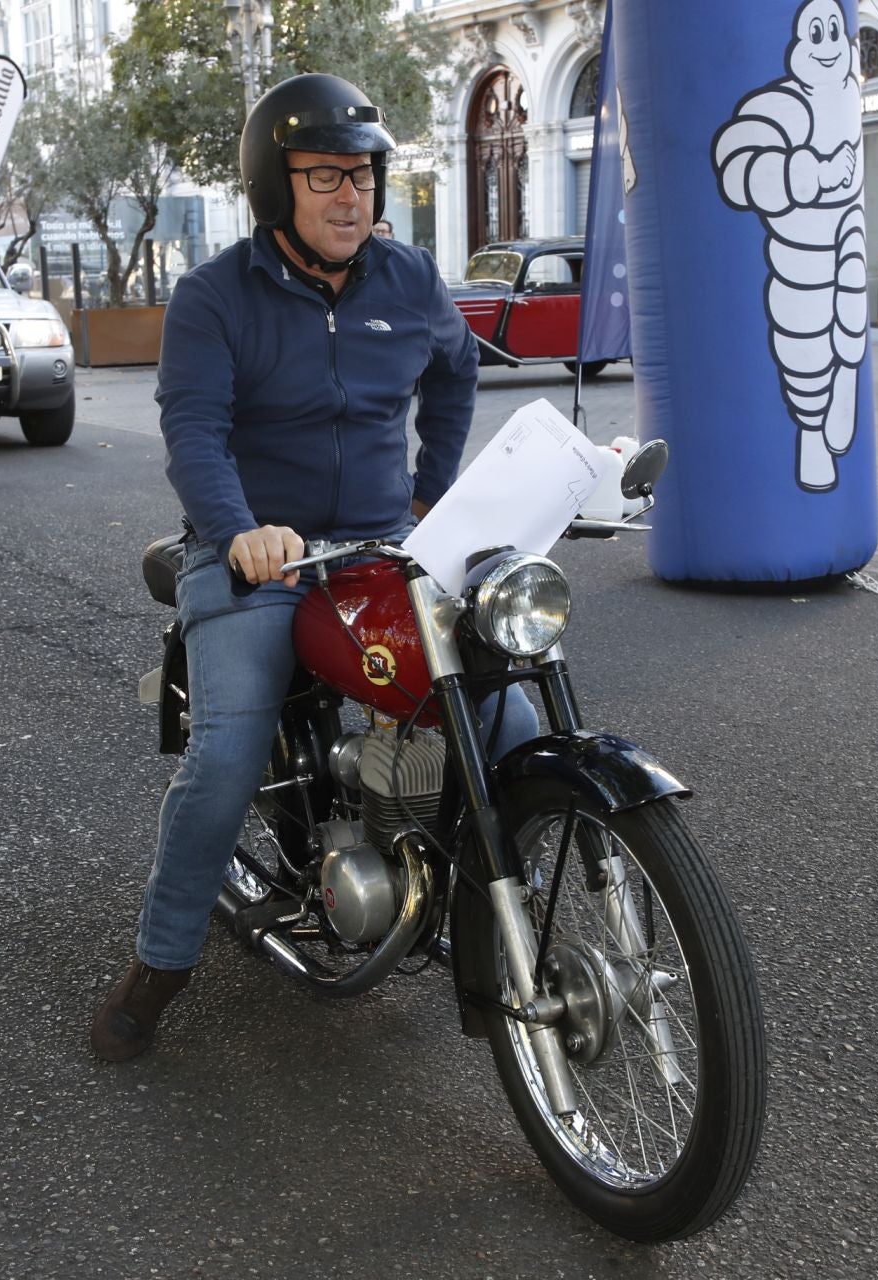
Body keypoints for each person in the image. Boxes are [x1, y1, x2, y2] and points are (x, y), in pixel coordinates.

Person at [90, 73, 541, 1062]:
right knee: (225, 757)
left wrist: (431, 494)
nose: (352, 196)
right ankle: (160, 964)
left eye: (364, 175)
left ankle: (486, 901)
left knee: (508, 711)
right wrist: (239, 529)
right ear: (273, 185)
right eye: (325, 176)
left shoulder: (408, 278)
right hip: (261, 553)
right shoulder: (215, 297)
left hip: (382, 545)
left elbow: (456, 370)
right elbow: (194, 430)